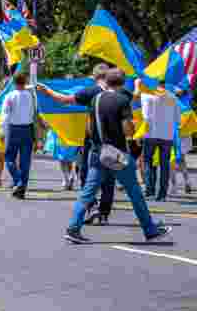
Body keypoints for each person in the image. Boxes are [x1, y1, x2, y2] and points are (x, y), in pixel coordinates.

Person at [65, 69, 171, 243]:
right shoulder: (122, 100)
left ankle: (73, 228)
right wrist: (133, 128)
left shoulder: (95, 99)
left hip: (98, 152)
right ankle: (150, 230)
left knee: (87, 193)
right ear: (122, 83)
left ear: (106, 81)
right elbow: (127, 129)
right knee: (135, 192)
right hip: (117, 154)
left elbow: (89, 127)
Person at [38, 64, 115, 222]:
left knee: (86, 173)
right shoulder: (117, 92)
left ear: (94, 77)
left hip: (94, 140)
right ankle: (104, 212)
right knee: (109, 177)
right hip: (114, 140)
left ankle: (91, 208)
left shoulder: (92, 91)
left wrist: (47, 91)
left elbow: (65, 100)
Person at [136, 80, 181, 202]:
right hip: (167, 135)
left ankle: (150, 189)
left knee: (147, 161)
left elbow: (145, 116)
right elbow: (178, 119)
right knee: (164, 164)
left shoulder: (146, 95)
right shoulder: (173, 97)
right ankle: (162, 193)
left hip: (151, 133)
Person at [1, 71, 35, 199]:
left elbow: (5, 115)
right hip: (28, 129)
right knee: (25, 161)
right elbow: (33, 113)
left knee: (9, 158)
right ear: (25, 82)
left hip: (14, 129)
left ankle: (18, 181)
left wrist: (2, 131)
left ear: (14, 82)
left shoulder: (10, 96)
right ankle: (22, 188)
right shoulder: (30, 96)